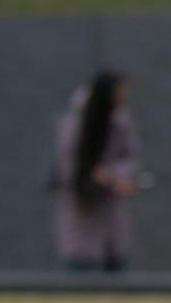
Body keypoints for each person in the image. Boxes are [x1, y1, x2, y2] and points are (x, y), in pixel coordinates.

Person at [54, 70, 141, 271]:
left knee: (115, 253)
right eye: (118, 92)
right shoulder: (75, 123)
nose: (122, 97)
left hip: (110, 202)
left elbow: (129, 156)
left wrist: (114, 176)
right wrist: (91, 175)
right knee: (81, 256)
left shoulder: (120, 121)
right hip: (82, 201)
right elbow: (67, 163)